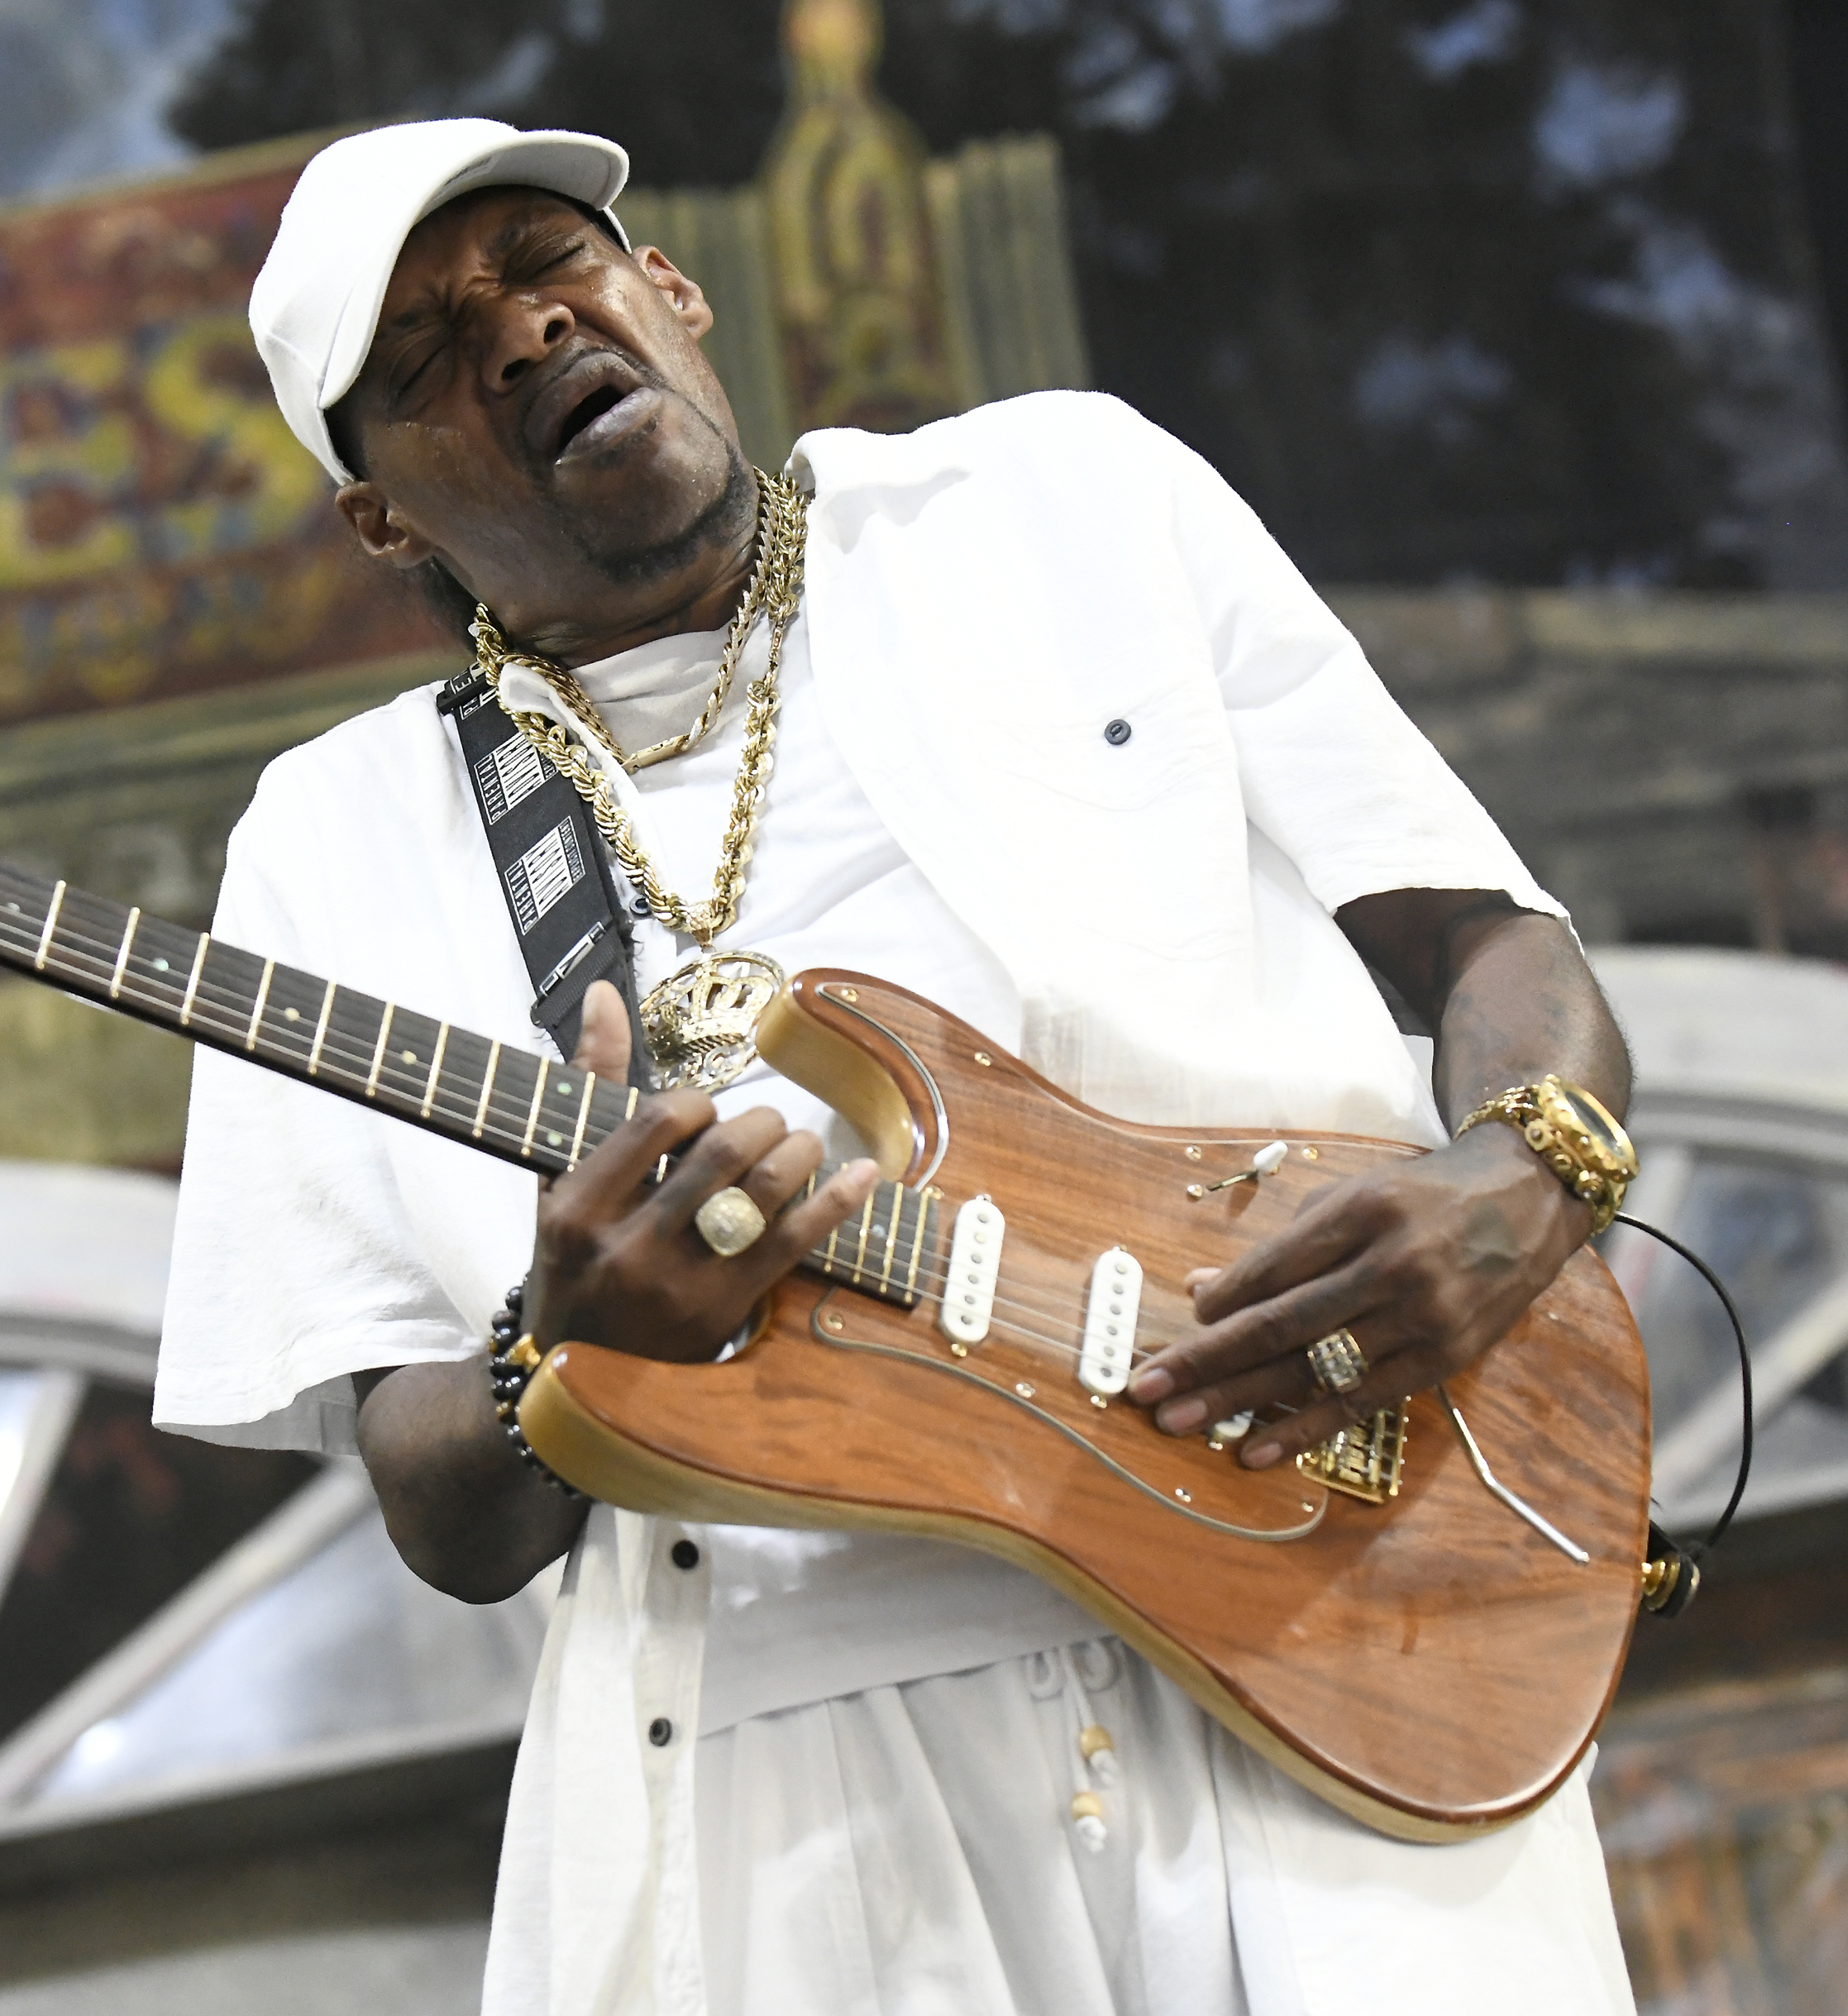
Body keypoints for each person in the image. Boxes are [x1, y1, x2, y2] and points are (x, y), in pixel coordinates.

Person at [156, 118, 1641, 2016]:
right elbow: (442, 1511)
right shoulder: (332, 841)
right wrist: (563, 1346)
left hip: (1326, 1619)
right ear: (382, 518)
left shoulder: (1065, 498)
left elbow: (1487, 942)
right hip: (802, 1790)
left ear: (668, 289)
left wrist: (1524, 1180)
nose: (525, 337)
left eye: (549, 264)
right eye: (434, 357)